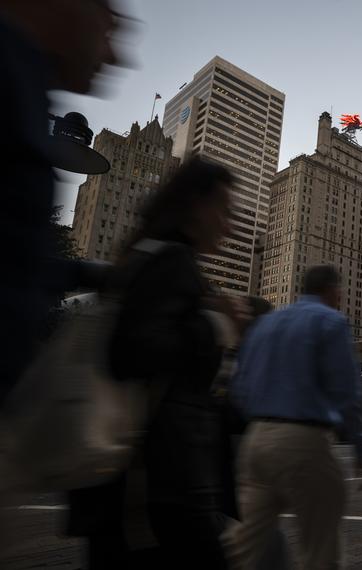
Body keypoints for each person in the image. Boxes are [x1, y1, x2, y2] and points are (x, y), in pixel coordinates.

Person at [67, 157, 249, 569]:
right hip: (157, 485)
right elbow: (133, 354)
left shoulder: (145, 255)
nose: (229, 225)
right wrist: (219, 324)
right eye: (225, 210)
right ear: (196, 206)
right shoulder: (170, 262)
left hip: (146, 484)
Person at [0, 0, 123, 407]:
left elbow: (16, 260)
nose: (113, 55)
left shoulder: (28, 92)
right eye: (108, 30)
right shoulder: (10, 79)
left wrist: (86, 272)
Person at [225, 265, 362, 569]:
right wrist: (360, 447)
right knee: (320, 551)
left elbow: (239, 387)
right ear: (333, 290)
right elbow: (346, 390)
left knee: (242, 547)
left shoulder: (265, 324)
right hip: (303, 443)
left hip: (255, 440)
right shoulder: (330, 321)